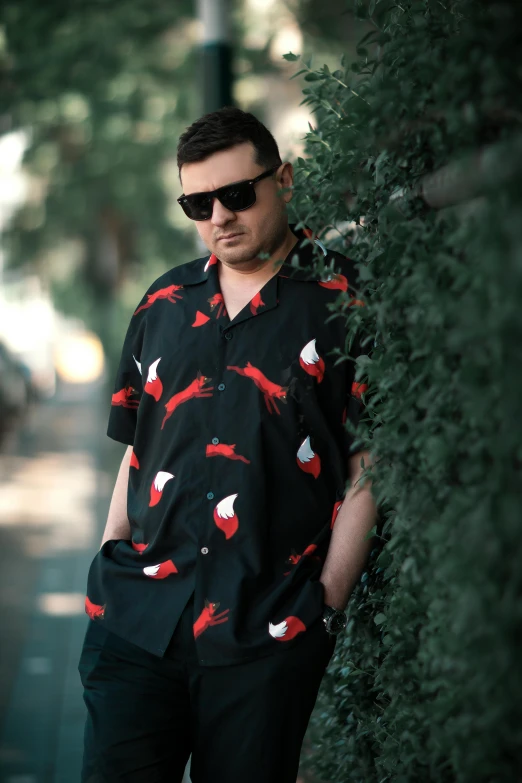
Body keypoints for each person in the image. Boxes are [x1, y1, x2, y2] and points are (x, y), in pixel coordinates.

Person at [79, 106, 377, 783]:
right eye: (198, 202)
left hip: (263, 637)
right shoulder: (163, 304)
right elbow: (137, 449)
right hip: (135, 625)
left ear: (284, 180)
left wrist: (324, 602)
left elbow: (368, 463)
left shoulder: (344, 302)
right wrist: (107, 560)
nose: (220, 215)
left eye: (238, 194)